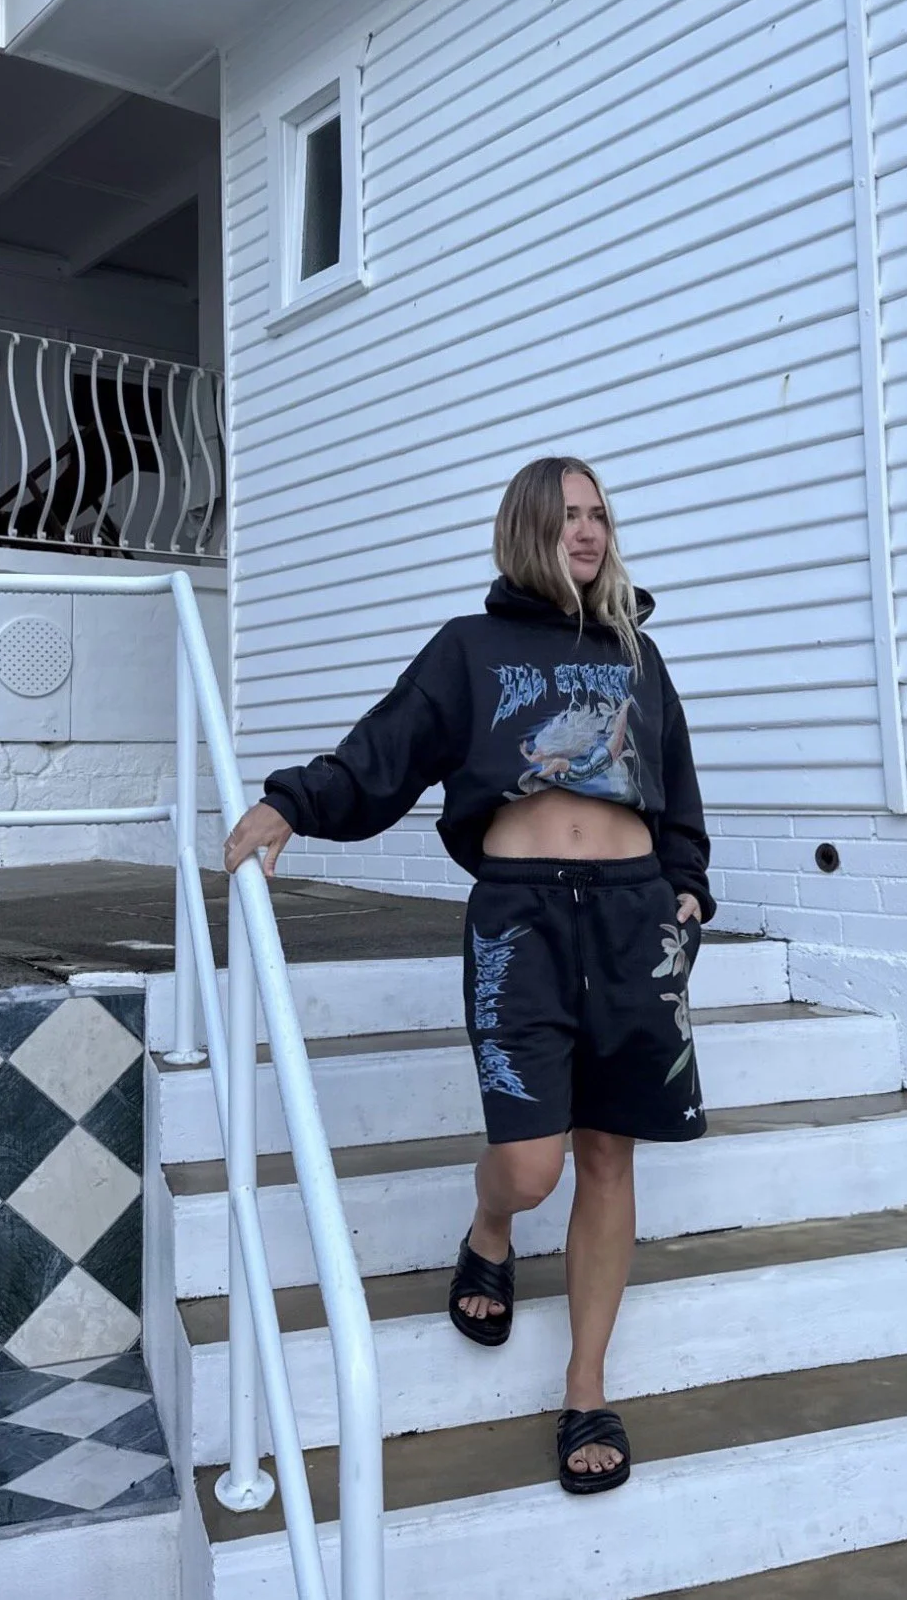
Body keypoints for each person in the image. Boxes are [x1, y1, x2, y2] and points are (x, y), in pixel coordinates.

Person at [225, 456, 714, 1494]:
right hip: (521, 919)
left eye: (598, 515)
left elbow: (675, 789)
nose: (588, 531)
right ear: (528, 528)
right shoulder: (471, 648)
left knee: (608, 1155)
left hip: (634, 921)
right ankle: (492, 1224)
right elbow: (385, 752)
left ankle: (585, 1387)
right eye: (568, 515)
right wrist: (291, 801)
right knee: (533, 1165)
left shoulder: (638, 652)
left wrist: (685, 891)